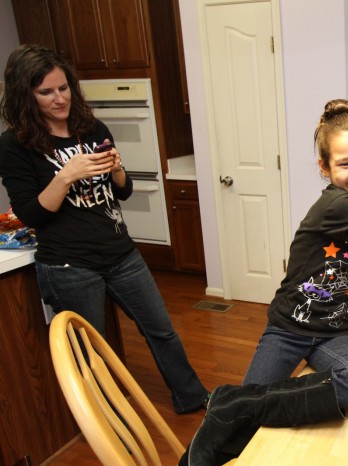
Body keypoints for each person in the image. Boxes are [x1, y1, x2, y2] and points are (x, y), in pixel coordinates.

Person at [181, 99, 348, 465]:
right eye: (344, 163)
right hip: (289, 329)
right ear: (324, 167)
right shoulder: (337, 206)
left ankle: (240, 401)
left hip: (334, 332)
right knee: (240, 424)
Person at [0, 44, 209, 413]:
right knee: (91, 351)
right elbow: (31, 213)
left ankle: (193, 398)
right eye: (46, 92)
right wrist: (66, 176)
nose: (59, 98)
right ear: (25, 94)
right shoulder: (14, 145)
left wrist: (116, 168)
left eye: (63, 88)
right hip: (69, 266)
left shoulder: (91, 127)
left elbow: (122, 191)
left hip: (121, 253)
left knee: (161, 331)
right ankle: (106, 419)